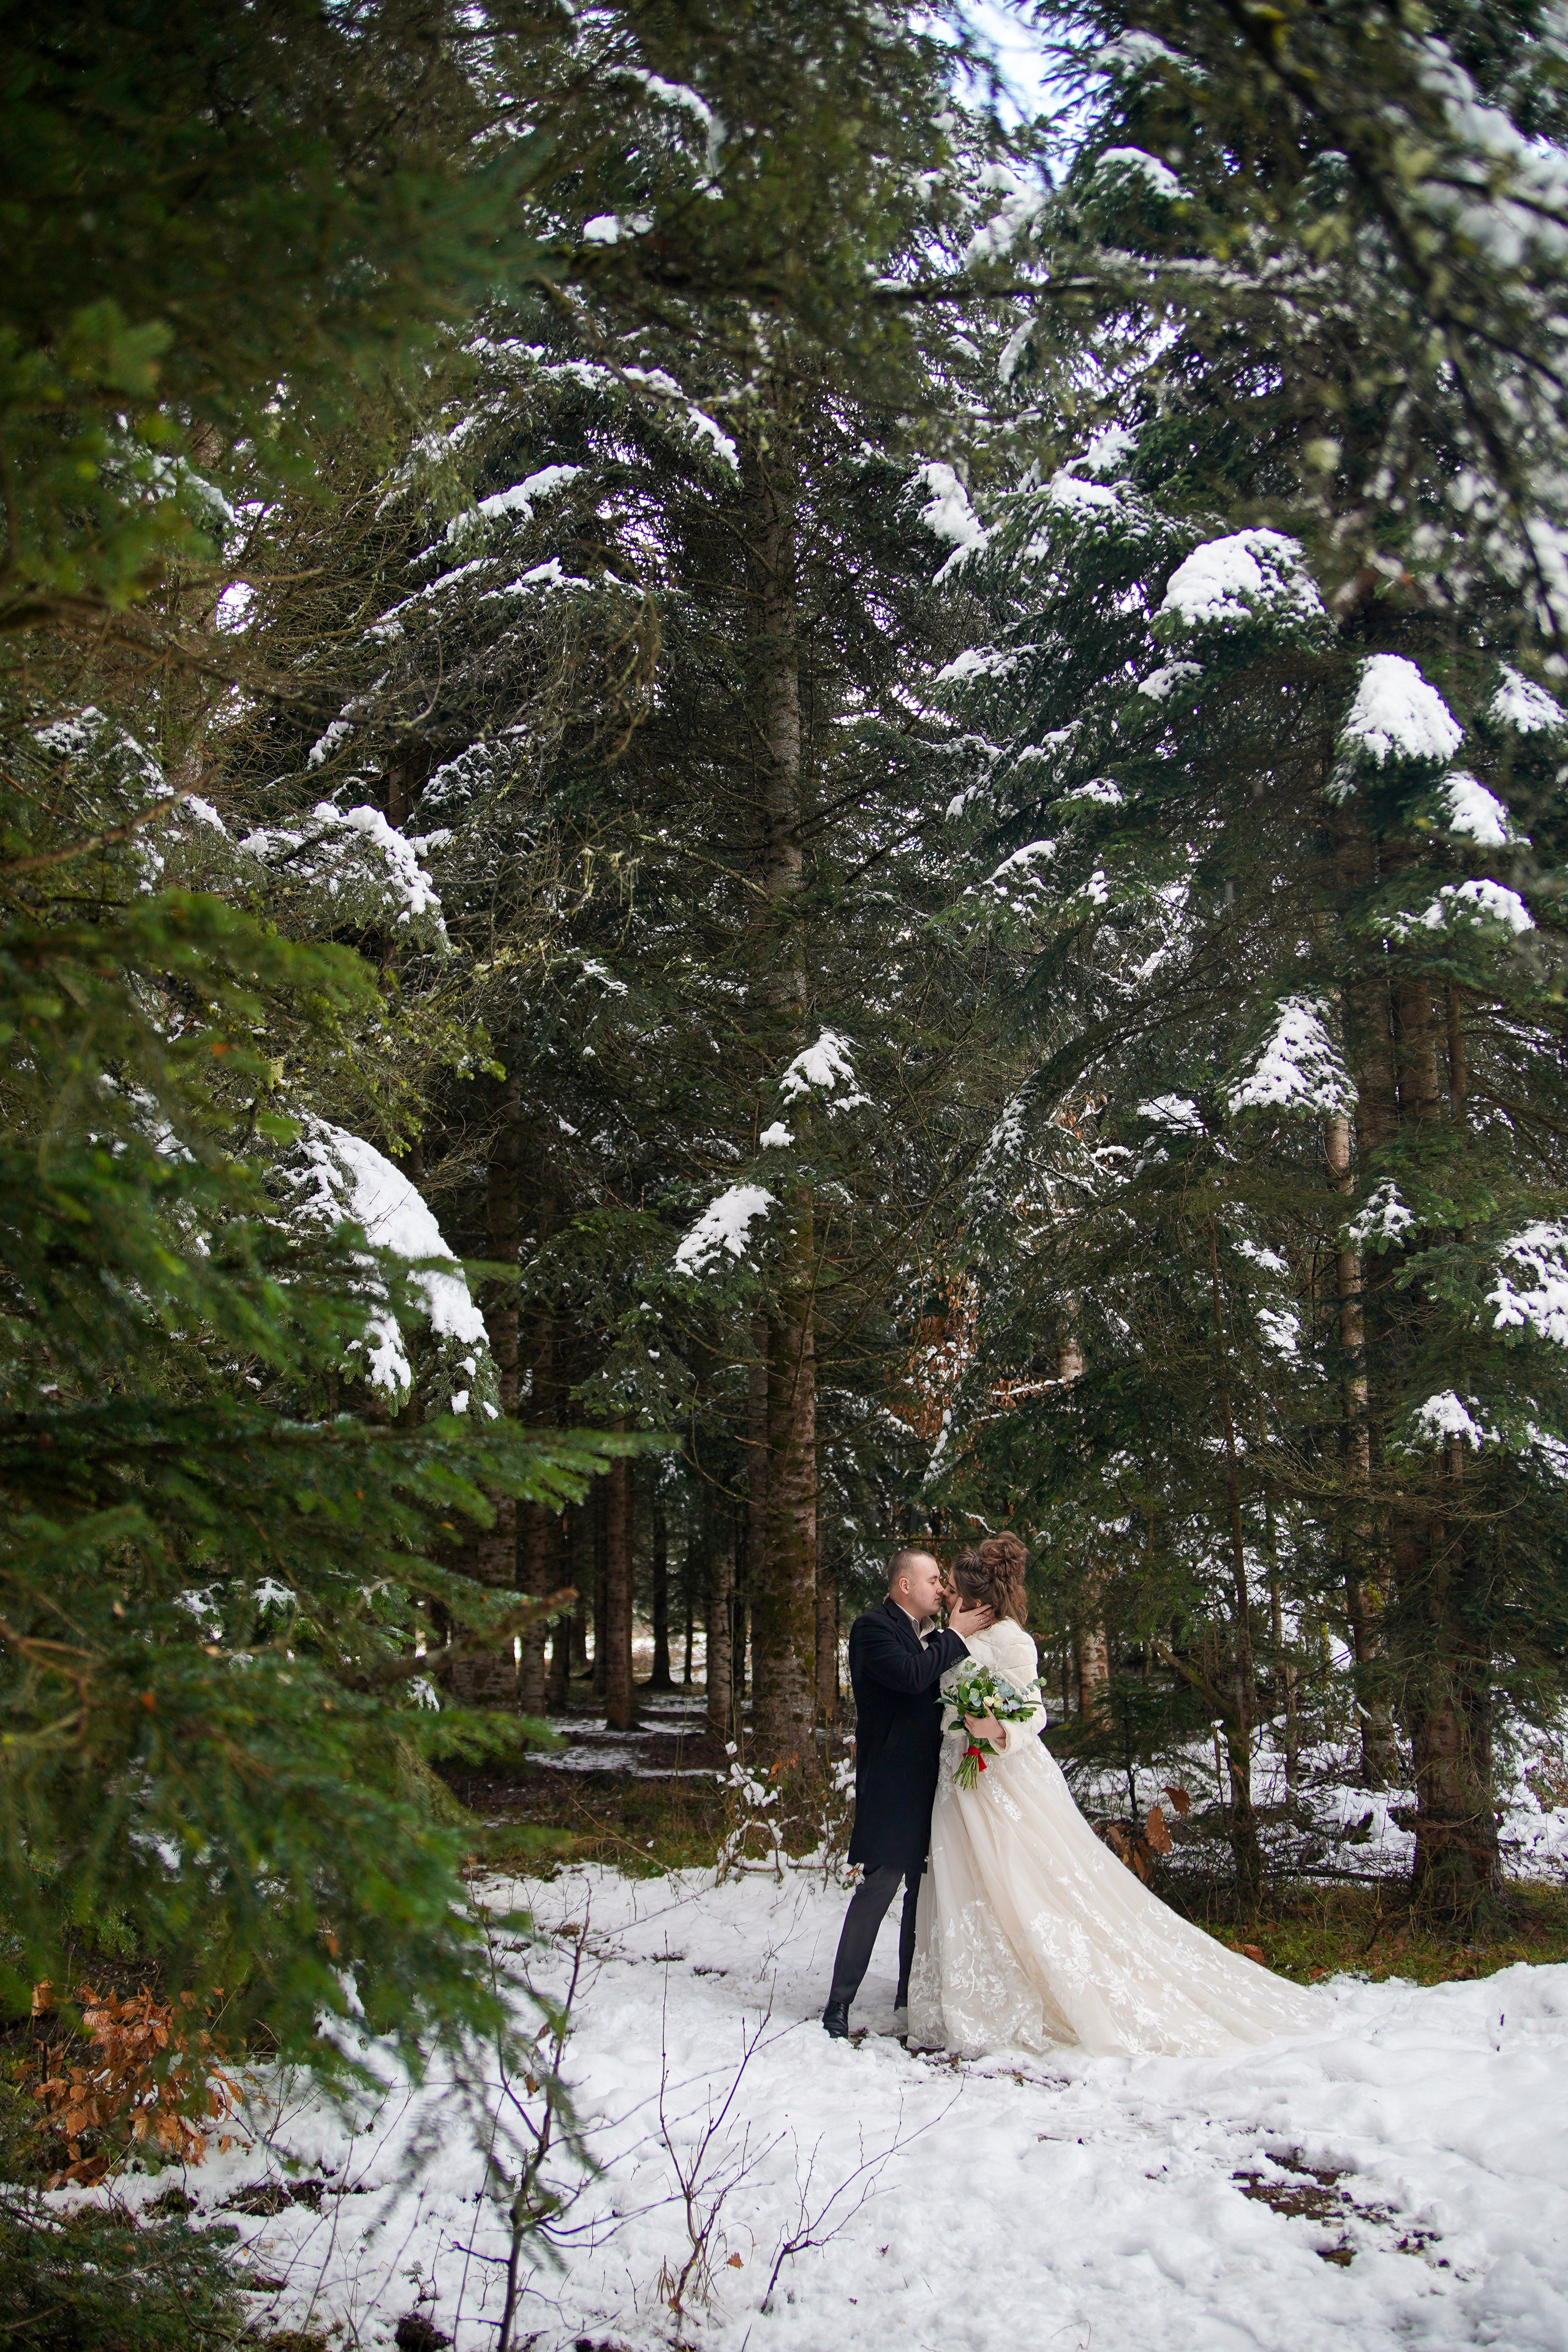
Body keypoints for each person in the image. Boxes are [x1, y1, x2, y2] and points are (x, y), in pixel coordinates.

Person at [908, 1533, 1326, 2058]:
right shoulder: (945, 1634)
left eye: (952, 1587)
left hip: (1002, 1774)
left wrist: (995, 1729)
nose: (945, 1593)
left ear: (977, 1597)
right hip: (957, 1775)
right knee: (964, 1879)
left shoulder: (1012, 1640)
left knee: (1023, 1878)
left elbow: (1033, 1713)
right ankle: (975, 1994)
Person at [821, 1547, 993, 2040]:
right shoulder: (871, 1629)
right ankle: (838, 2005)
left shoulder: (935, 1636)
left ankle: (908, 1995)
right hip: (893, 1782)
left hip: (937, 1780)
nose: (942, 1588)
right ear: (905, 1585)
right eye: (934, 1580)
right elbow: (912, 1676)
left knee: (924, 1892)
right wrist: (956, 1635)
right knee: (879, 1886)